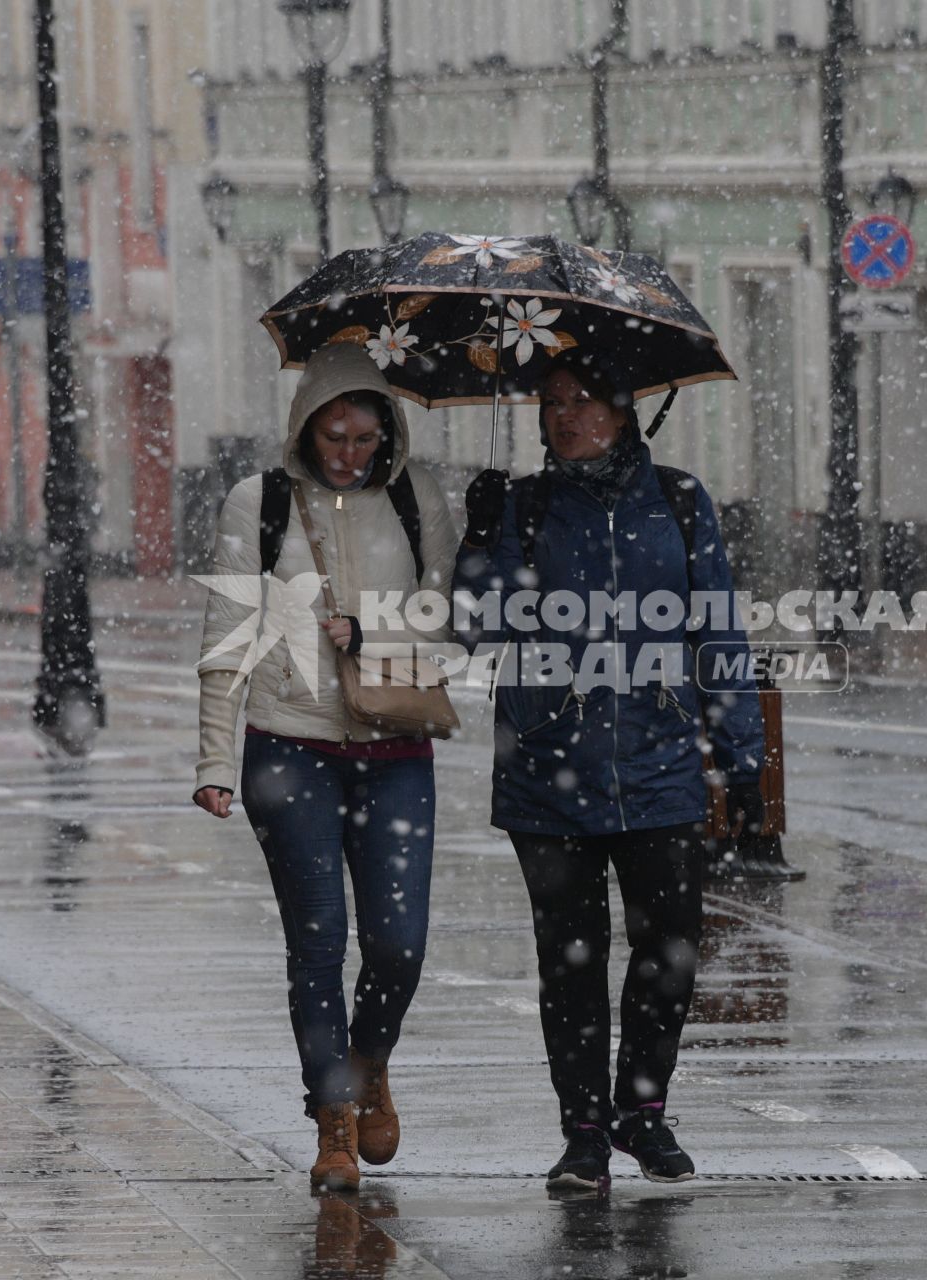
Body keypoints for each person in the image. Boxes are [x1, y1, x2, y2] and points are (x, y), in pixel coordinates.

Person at [456, 347, 765, 1193]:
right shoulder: (523, 507)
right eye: (551, 402)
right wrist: (480, 538)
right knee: (571, 961)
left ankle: (642, 1111)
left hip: (659, 765)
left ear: (626, 411)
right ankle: (585, 1132)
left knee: (670, 949)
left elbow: (718, 634)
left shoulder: (679, 501)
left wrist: (742, 762)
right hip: (544, 770)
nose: (565, 416)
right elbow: (476, 631)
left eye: (585, 399)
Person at [192, 344, 458, 1192]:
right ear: (305, 428)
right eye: (335, 436)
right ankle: (333, 1119)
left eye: (366, 438)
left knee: (399, 947)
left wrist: (372, 635)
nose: (351, 454)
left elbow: (448, 625)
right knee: (316, 944)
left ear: (388, 435)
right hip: (290, 746)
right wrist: (215, 758)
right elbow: (228, 637)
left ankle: (369, 1060)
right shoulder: (259, 503)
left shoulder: (418, 502)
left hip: (394, 751)